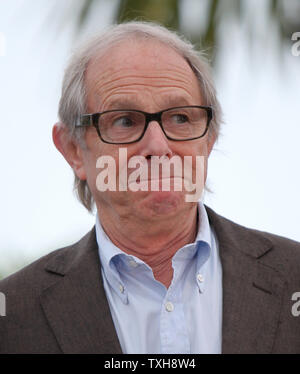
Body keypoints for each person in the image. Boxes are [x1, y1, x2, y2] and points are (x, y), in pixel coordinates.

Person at [0, 21, 300, 354]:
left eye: (181, 118)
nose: (158, 146)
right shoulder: (12, 315)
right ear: (73, 149)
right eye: (125, 121)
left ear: (209, 140)